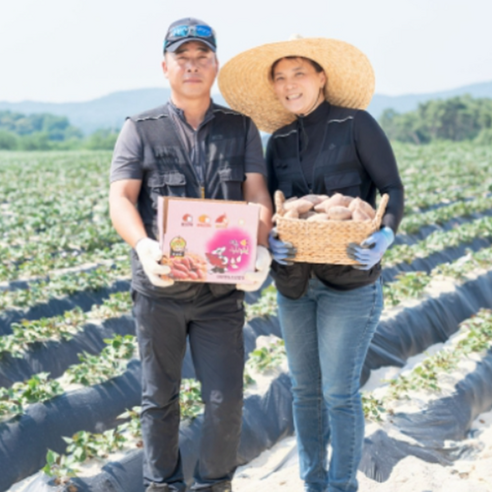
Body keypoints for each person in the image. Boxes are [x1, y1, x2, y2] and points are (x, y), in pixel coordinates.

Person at [218, 37, 404, 492]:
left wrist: (385, 235)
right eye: (279, 78)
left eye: (298, 73)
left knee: (339, 393)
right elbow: (266, 203)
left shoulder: (357, 124)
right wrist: (270, 240)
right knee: (304, 391)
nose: (288, 85)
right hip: (295, 283)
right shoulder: (277, 141)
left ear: (322, 77)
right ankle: (312, 483)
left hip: (351, 281)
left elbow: (391, 189)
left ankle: (342, 486)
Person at [109, 18, 273, 492]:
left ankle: (213, 484)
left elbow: (258, 192)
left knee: (225, 400)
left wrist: (259, 246)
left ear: (216, 66)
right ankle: (162, 485)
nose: (193, 66)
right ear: (166, 67)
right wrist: (144, 245)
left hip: (221, 293)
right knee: (159, 398)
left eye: (203, 58)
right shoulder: (140, 129)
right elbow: (121, 198)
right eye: (183, 58)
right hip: (160, 291)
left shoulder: (240, 129)